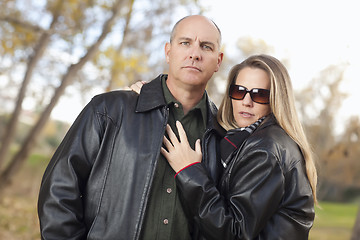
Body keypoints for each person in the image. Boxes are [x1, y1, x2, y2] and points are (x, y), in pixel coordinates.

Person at [37, 15, 223, 240]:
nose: (195, 53)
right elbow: (59, 192)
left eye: (206, 46)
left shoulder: (223, 136)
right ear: (168, 51)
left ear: (218, 61)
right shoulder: (108, 110)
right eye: (185, 43)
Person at [160, 54, 318, 239]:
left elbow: (235, 232)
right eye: (239, 91)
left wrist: (189, 171)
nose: (246, 101)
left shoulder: (265, 149)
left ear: (276, 99)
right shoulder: (246, 140)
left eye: (259, 94)